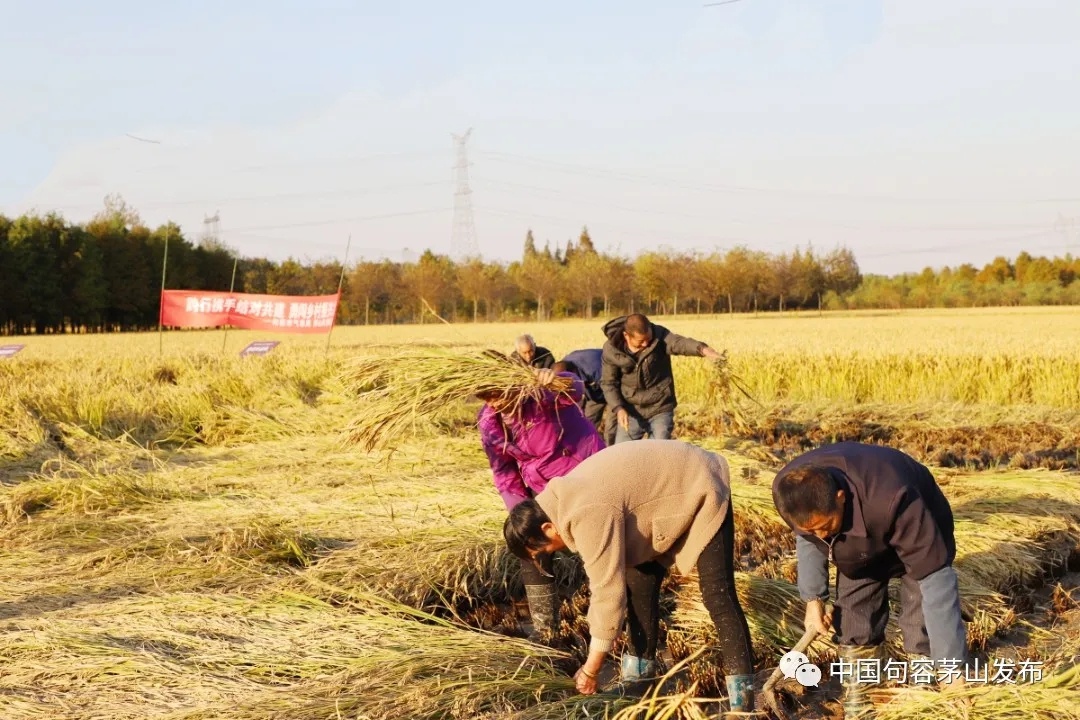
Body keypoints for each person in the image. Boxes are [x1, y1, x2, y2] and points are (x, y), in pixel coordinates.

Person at [503, 439, 756, 715]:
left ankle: (742, 702)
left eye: (544, 550)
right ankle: (640, 683)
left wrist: (591, 669)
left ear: (549, 528)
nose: (549, 554)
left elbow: (608, 593)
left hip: (698, 481)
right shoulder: (560, 500)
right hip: (656, 501)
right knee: (639, 587)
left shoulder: (586, 512)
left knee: (718, 596)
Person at [771, 441, 968, 717]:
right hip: (857, 543)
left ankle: (923, 698)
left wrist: (952, 671)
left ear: (840, 497)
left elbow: (935, 580)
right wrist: (813, 599)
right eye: (812, 530)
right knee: (854, 618)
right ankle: (861, 703)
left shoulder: (895, 497)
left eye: (825, 527)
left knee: (920, 614)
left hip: (918, 522)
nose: (820, 536)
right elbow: (807, 537)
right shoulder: (789, 491)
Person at [477, 363, 605, 640]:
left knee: (601, 545)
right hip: (544, 488)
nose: (497, 403)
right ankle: (546, 628)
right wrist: (519, 514)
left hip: (586, 476)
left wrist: (553, 379)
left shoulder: (541, 393)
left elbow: (577, 387)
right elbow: (504, 473)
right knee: (531, 546)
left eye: (500, 394)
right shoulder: (489, 423)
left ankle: (615, 621)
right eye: (489, 398)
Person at [600, 314, 723, 444]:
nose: (646, 343)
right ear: (626, 336)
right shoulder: (611, 350)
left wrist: (702, 349)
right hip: (631, 410)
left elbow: (679, 343)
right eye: (641, 341)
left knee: (658, 449)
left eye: (648, 338)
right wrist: (618, 408)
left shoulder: (659, 335)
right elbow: (609, 383)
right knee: (621, 452)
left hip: (660, 405)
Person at [553, 348, 616, 446]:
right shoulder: (561, 368)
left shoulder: (594, 369)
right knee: (588, 423)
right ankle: (590, 449)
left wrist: (617, 406)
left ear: (573, 373)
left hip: (614, 389)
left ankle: (610, 452)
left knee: (610, 428)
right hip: (594, 392)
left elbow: (612, 387)